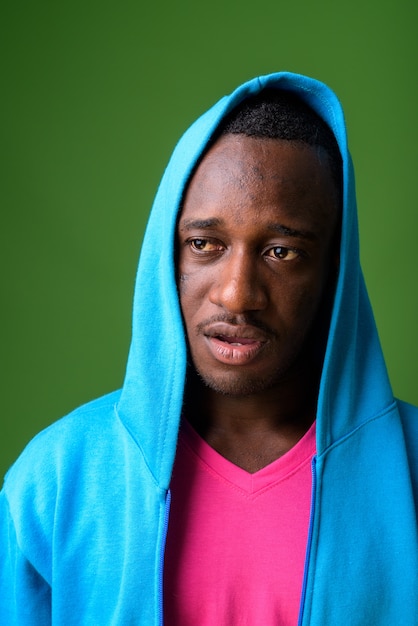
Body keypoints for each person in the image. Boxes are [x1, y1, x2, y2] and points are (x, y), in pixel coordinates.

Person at [1, 72, 417, 625]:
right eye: (204, 244)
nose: (237, 294)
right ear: (167, 256)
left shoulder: (411, 475)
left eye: (282, 251)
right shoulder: (53, 479)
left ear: (334, 271)